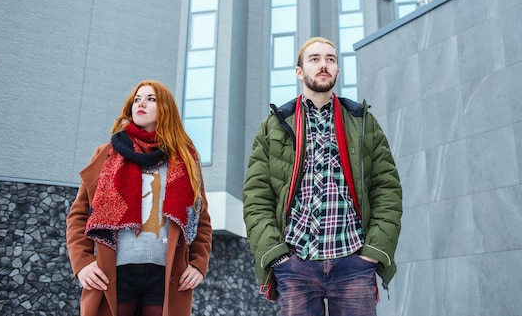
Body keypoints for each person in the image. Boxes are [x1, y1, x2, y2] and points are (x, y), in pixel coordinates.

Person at [243, 37, 402, 316]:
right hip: (296, 265)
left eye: (330, 59)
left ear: (338, 71)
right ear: (299, 71)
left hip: (353, 261)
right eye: (314, 59)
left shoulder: (362, 121)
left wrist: (372, 252)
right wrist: (276, 255)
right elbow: (256, 196)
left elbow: (387, 189)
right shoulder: (275, 125)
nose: (323, 64)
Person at [66, 80, 212, 316]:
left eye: (150, 99)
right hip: (113, 273)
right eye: (137, 99)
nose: (141, 103)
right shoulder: (107, 154)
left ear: (165, 109)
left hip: (165, 276)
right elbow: (79, 215)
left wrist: (198, 264)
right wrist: (82, 263)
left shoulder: (185, 159)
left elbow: (201, 219)